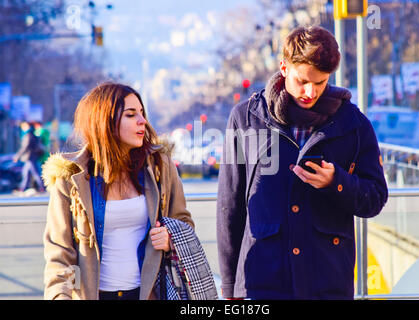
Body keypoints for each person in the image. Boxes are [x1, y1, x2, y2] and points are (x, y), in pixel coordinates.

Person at [216, 25, 388, 300]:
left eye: (320, 83)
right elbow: (230, 205)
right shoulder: (245, 118)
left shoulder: (354, 124)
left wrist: (337, 182)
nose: (311, 91)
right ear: (284, 68)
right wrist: (229, 284)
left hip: (327, 281)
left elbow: (375, 199)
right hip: (261, 280)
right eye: (302, 81)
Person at [42, 83, 194, 300]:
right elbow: (61, 254)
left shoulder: (160, 166)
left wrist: (171, 239)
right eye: (131, 115)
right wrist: (61, 295)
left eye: (141, 113)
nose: (142, 121)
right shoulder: (71, 178)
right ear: (105, 122)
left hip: (150, 294)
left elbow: (184, 223)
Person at [13, 121, 45, 193]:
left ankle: (42, 187)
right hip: (31, 156)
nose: (22, 128)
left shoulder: (28, 135)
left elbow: (25, 147)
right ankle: (23, 188)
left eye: (23, 127)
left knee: (35, 173)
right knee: (26, 173)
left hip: (30, 156)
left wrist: (17, 156)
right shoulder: (32, 134)